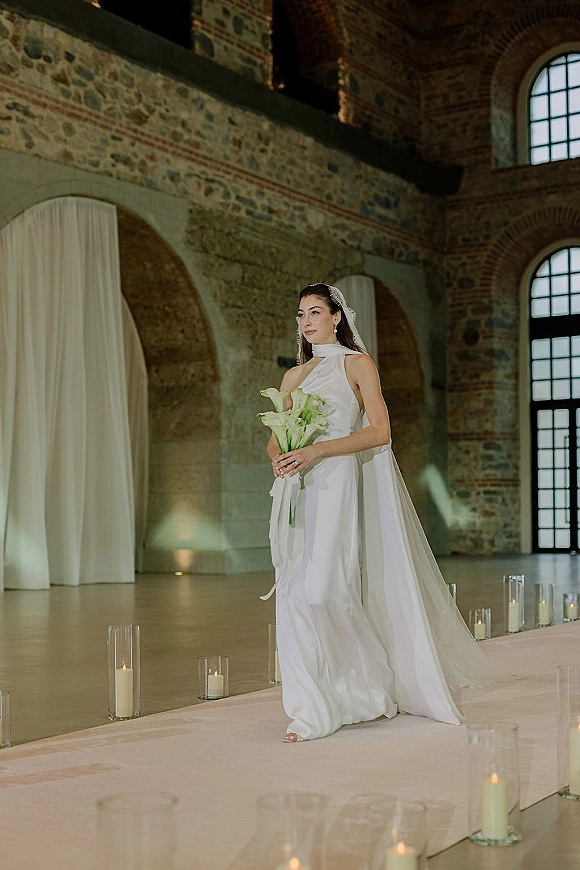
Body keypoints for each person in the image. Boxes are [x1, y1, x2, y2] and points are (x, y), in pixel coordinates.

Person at [264, 283, 506, 743]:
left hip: (336, 484)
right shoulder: (294, 377)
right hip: (297, 488)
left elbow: (379, 431)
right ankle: (311, 711)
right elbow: (276, 434)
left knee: (323, 592)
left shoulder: (357, 364)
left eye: (315, 312)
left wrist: (317, 451)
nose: (306, 321)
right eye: (300, 314)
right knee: (293, 598)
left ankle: (367, 690)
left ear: (337, 316)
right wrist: (279, 455)